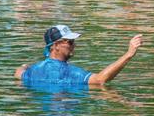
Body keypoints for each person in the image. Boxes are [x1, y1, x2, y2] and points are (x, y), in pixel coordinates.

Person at [14, 25, 144, 87]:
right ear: (56, 46)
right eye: (70, 42)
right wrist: (128, 54)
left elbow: (18, 73)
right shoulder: (69, 72)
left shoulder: (32, 71)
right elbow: (100, 80)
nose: (74, 45)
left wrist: (25, 66)